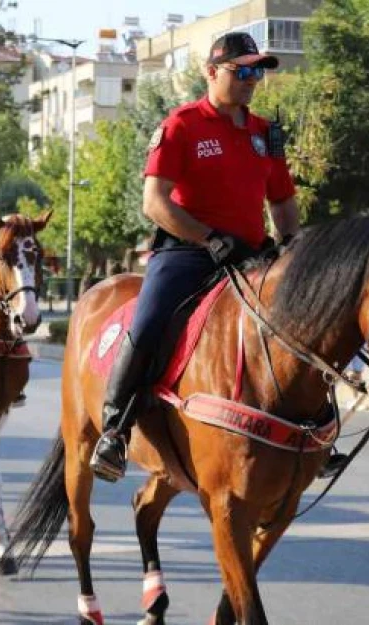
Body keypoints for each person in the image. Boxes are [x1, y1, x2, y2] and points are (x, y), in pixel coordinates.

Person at [89, 32, 337, 482]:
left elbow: (281, 201)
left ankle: (318, 430)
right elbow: (155, 202)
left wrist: (290, 248)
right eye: (241, 71)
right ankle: (115, 430)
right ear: (211, 72)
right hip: (187, 252)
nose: (251, 80)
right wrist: (208, 238)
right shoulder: (181, 124)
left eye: (257, 71)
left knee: (307, 321)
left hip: (250, 255)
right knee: (147, 323)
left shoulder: (266, 134)